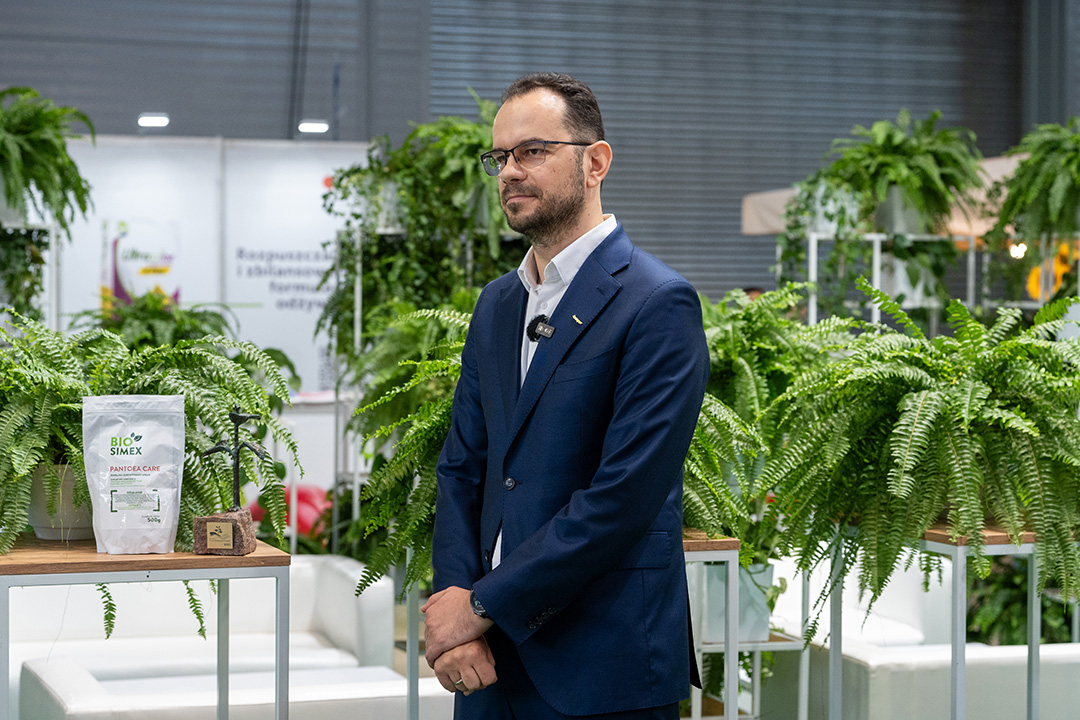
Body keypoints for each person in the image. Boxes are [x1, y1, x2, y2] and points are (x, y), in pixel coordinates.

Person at [422, 72, 709, 720]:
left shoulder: (657, 303)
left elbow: (621, 499)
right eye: (500, 156)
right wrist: (455, 612)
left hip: (602, 668)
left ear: (595, 162)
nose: (509, 172)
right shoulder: (498, 304)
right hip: (486, 663)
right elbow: (462, 469)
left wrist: (479, 605)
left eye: (532, 151)